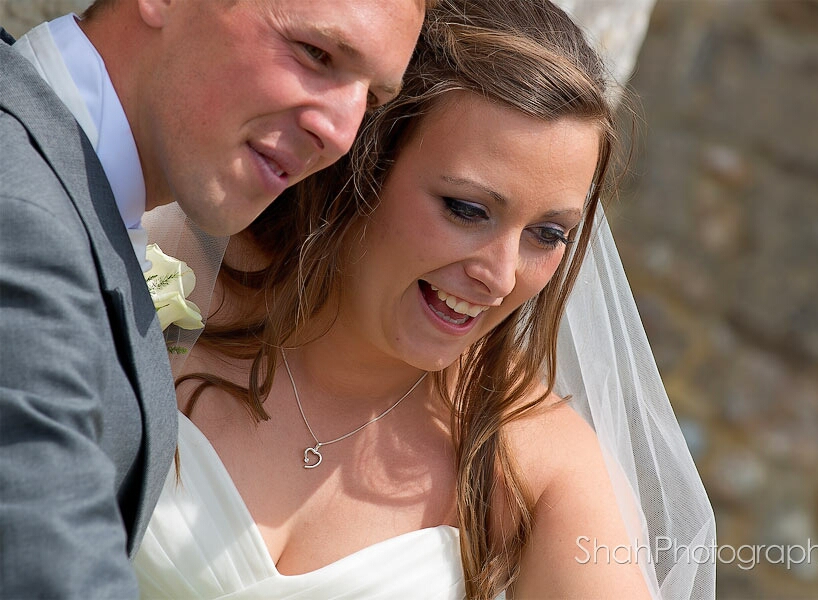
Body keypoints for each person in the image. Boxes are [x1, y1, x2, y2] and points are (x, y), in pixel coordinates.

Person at [135, 0, 715, 598]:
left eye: (548, 234)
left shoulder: (539, 471)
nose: (499, 275)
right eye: (467, 210)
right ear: (364, 166)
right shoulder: (161, 286)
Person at [0, 0, 425, 597]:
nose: (340, 134)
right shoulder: (20, 212)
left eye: (373, 101)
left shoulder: (67, 189)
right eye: (316, 53)